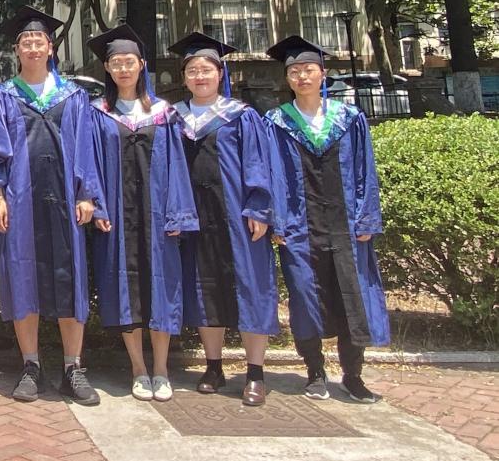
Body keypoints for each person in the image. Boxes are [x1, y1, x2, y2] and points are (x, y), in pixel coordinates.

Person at [0, 7, 102, 406]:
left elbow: (85, 148)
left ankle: (73, 367)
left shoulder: (74, 96)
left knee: (71, 279)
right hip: (20, 201)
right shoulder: (2, 96)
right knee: (23, 278)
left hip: (66, 200)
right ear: (17, 50)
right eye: (26, 42)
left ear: (50, 48)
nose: (33, 47)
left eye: (39, 41)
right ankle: (31, 366)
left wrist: (86, 194)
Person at [263, 35, 389, 404]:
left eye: (309, 70)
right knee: (305, 297)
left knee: (353, 297)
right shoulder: (277, 122)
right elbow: (272, 175)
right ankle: (315, 372)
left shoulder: (349, 119)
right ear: (287, 78)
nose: (302, 77)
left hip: (346, 226)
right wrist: (277, 222)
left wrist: (367, 218)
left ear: (323, 73)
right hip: (299, 228)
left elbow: (365, 170)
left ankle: (353, 375)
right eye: (295, 71)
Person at [87, 23, 197, 403]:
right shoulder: (98, 113)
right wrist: (97, 204)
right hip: (118, 217)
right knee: (126, 289)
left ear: (141, 65)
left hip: (158, 216)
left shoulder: (164, 114)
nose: (123, 68)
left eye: (129, 62)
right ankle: (138, 369)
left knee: (161, 288)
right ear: (107, 68)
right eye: (116, 63)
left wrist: (177, 214)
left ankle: (161, 370)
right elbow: (90, 164)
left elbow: (178, 167)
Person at [168, 32, 278, 406]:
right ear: (184, 77)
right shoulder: (174, 118)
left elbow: (257, 164)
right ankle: (213, 366)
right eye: (193, 71)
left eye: (206, 70)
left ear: (220, 74)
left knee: (250, 286)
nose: (200, 76)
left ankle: (255, 373)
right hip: (195, 216)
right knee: (205, 288)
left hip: (237, 216)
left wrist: (259, 208)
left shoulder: (241, 116)